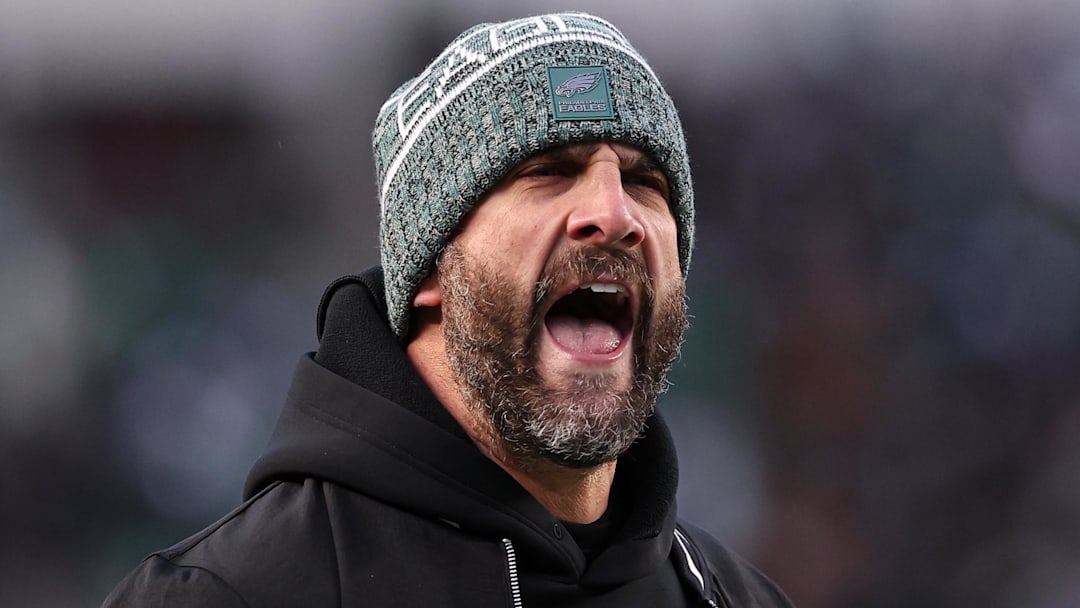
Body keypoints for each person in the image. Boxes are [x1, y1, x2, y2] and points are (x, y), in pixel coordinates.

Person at [103, 12, 793, 607]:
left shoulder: (736, 598)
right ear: (433, 263)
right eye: (548, 172)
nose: (615, 214)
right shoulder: (229, 595)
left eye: (646, 182)